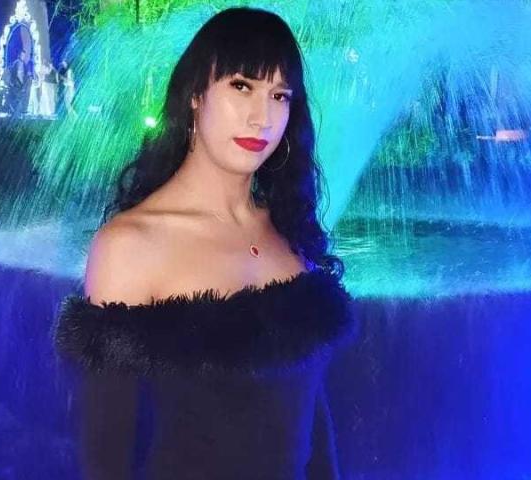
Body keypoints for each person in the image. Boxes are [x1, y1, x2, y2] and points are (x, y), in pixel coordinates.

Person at [55, 7, 353, 480]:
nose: (261, 117)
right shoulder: (130, 246)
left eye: (279, 95)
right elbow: (106, 456)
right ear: (196, 93)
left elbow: (312, 417)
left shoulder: (288, 229)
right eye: (242, 86)